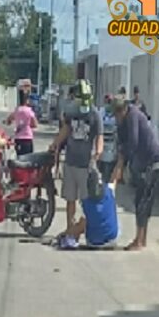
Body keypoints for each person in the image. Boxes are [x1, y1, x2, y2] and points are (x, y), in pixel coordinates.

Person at [49, 80, 103, 246]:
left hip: (85, 165)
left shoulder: (94, 114)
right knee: (70, 199)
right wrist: (55, 143)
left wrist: (98, 152)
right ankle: (70, 229)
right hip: (70, 162)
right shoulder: (71, 111)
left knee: (87, 201)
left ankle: (81, 230)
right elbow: (66, 130)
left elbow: (99, 135)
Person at [111, 97, 159, 251]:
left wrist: (122, 164)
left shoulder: (133, 116)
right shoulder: (122, 122)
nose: (117, 117)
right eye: (115, 114)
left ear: (124, 109)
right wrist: (119, 165)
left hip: (152, 161)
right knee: (141, 200)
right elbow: (122, 144)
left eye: (119, 113)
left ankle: (140, 240)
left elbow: (133, 142)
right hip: (143, 162)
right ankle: (142, 239)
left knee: (142, 200)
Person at [58, 181, 119, 249]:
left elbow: (81, 227)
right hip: (111, 239)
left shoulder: (87, 203)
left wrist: (65, 234)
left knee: (86, 223)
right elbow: (115, 179)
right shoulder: (110, 190)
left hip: (93, 242)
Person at [5, 91, 37, 156]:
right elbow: (35, 124)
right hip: (27, 138)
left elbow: (8, 121)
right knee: (28, 158)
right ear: (27, 100)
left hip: (18, 138)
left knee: (19, 158)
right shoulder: (29, 111)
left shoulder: (17, 110)